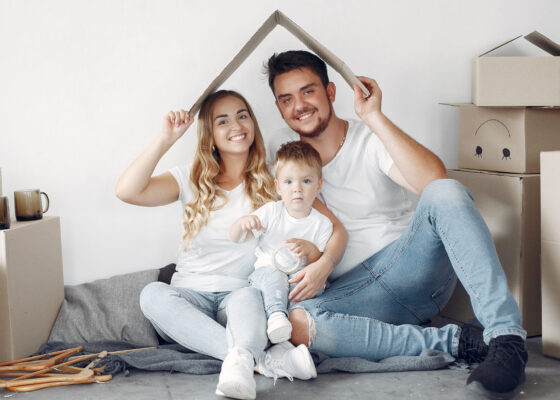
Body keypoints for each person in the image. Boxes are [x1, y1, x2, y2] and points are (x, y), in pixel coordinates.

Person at [264, 50, 528, 397]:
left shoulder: (368, 139)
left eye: (308, 91)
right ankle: (462, 342)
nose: (299, 105)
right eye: (286, 99)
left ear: (330, 92)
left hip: (408, 270)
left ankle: (506, 338)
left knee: (445, 192)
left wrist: (374, 117)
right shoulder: (281, 152)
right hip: (352, 293)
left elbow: (433, 180)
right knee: (297, 324)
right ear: (280, 107)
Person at [115, 90, 320, 400]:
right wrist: (165, 139)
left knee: (251, 296)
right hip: (189, 297)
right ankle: (259, 360)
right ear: (210, 135)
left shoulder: (274, 180)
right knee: (152, 295)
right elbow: (127, 191)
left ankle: (243, 361)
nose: (236, 125)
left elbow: (322, 220)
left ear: (252, 123)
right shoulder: (189, 178)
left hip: (239, 296)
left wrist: (320, 256)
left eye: (242, 115)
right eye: (222, 121)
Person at [230, 141, 333, 344]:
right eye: (288, 182)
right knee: (275, 276)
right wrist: (243, 223)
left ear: (318, 185)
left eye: (306, 181)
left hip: (296, 279)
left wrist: (311, 251)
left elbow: (319, 264)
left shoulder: (323, 224)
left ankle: (289, 322)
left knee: (310, 284)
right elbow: (235, 237)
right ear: (278, 186)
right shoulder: (272, 211)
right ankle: (277, 316)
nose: (297, 189)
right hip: (267, 274)